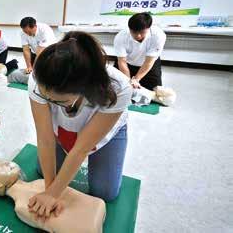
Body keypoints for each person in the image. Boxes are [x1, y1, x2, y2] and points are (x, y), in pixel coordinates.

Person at [27, 31, 132, 221]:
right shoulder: (38, 79)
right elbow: (44, 138)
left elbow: (81, 149)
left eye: (58, 101)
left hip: (105, 134)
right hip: (63, 130)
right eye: (46, 97)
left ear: (83, 89)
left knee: (105, 192)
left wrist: (52, 195)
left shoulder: (119, 88)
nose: (49, 102)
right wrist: (51, 191)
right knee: (44, 173)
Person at [114, 12, 166, 91]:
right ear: (129, 29)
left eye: (142, 32)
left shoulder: (158, 35)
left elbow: (149, 61)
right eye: (134, 32)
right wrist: (128, 82)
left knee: (155, 91)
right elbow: (122, 62)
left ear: (148, 28)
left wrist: (136, 79)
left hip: (149, 65)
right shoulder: (121, 36)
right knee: (116, 87)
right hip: (127, 64)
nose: (138, 36)